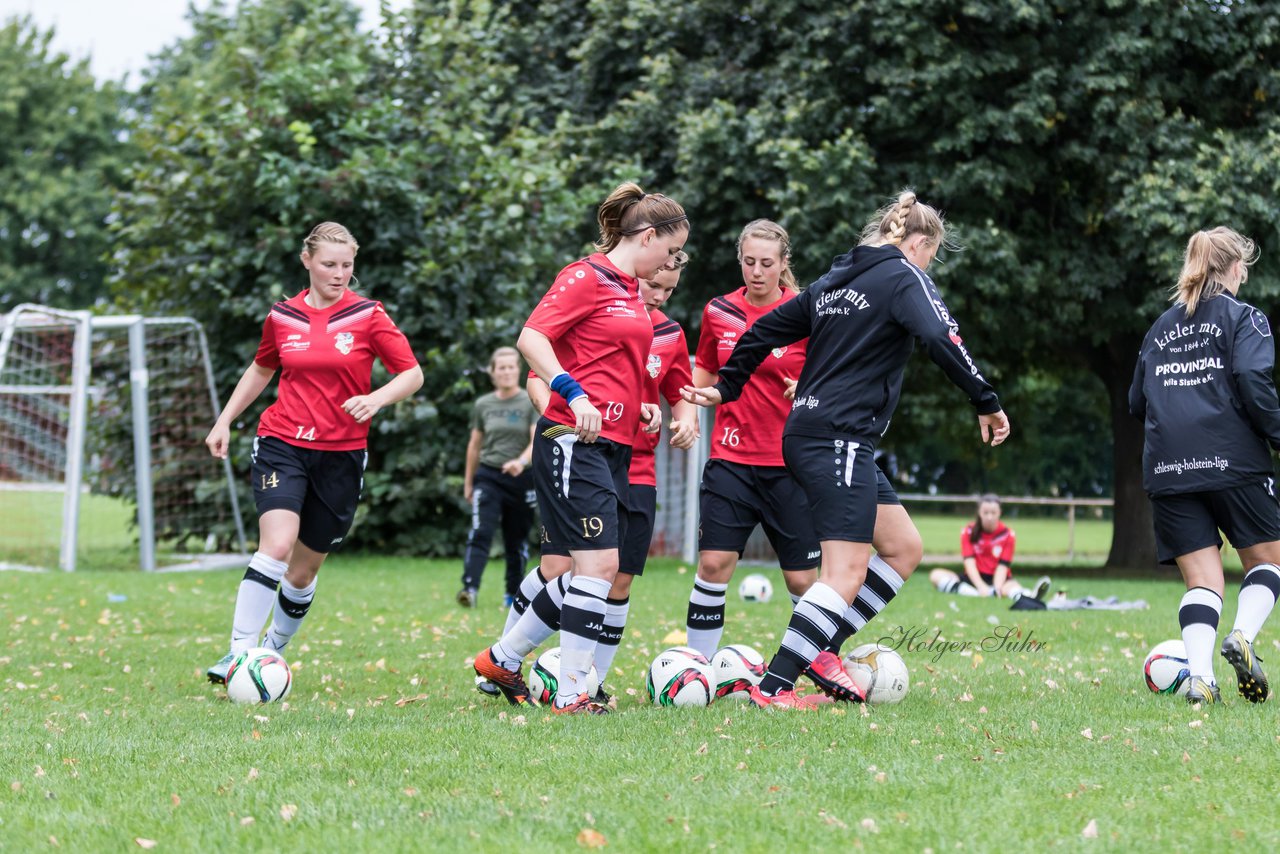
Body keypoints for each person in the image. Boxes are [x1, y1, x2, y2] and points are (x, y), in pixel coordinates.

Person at [683, 190, 1010, 709]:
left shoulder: (836, 277)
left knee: (904, 548)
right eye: (931, 256)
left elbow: (763, 328)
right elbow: (942, 336)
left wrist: (727, 385)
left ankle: (818, 648)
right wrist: (986, 401)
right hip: (837, 438)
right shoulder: (904, 276)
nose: (929, 267)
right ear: (921, 244)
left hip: (818, 435)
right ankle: (775, 688)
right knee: (843, 573)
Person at [472, 182, 690, 714]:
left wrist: (644, 405)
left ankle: (503, 659)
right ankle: (571, 696)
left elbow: (614, 364)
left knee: (584, 570)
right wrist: (573, 393)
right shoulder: (585, 277)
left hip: (614, 444)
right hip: (573, 439)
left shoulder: (628, 289)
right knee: (596, 568)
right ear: (646, 236)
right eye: (670, 249)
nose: (671, 262)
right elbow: (532, 338)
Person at [204, 222, 423, 683]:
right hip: (282, 442)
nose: (339, 273)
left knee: (302, 573)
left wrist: (377, 398)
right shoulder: (282, 316)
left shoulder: (368, 315)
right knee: (277, 545)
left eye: (347, 265)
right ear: (307, 261)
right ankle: (238, 654)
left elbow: (412, 374)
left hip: (341, 454)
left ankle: (272, 650)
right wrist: (224, 420)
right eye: (329, 264)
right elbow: (261, 369)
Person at [1130, 226, 1280, 706]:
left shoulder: (1159, 328)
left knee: (1203, 581)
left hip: (1169, 467)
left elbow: (1137, 401)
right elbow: (1252, 379)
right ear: (1237, 268)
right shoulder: (1245, 319)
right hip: (1233, 461)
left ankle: (1201, 681)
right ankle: (1241, 635)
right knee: (1269, 562)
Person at [682, 220, 820, 659]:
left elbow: (833, 372)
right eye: (748, 262)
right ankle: (696, 669)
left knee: (802, 580)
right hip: (731, 461)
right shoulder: (719, 311)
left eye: (766, 263)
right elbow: (704, 366)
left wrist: (809, 387)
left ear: (783, 264)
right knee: (713, 565)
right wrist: (691, 405)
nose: (757, 271)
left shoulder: (806, 312)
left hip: (791, 465)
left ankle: (812, 664)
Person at [458, 346, 537, 609]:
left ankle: (512, 594)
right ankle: (469, 589)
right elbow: (474, 445)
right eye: (500, 367)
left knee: (516, 540)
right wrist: (469, 483)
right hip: (489, 476)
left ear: (518, 370)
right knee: (481, 531)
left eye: (511, 366)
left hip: (522, 478)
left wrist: (521, 462)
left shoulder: (529, 401)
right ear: (493, 373)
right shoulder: (484, 405)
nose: (506, 372)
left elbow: (536, 440)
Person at [929, 495, 1050, 600]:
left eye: (993, 513)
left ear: (1000, 513)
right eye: (986, 513)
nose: (989, 517)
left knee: (1011, 588)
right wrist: (981, 587)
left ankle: (1030, 596)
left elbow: (1003, 566)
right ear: (979, 513)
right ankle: (976, 593)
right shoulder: (968, 531)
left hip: (999, 578)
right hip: (973, 578)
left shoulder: (1008, 534)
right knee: (935, 575)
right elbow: (969, 564)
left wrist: (997, 587)